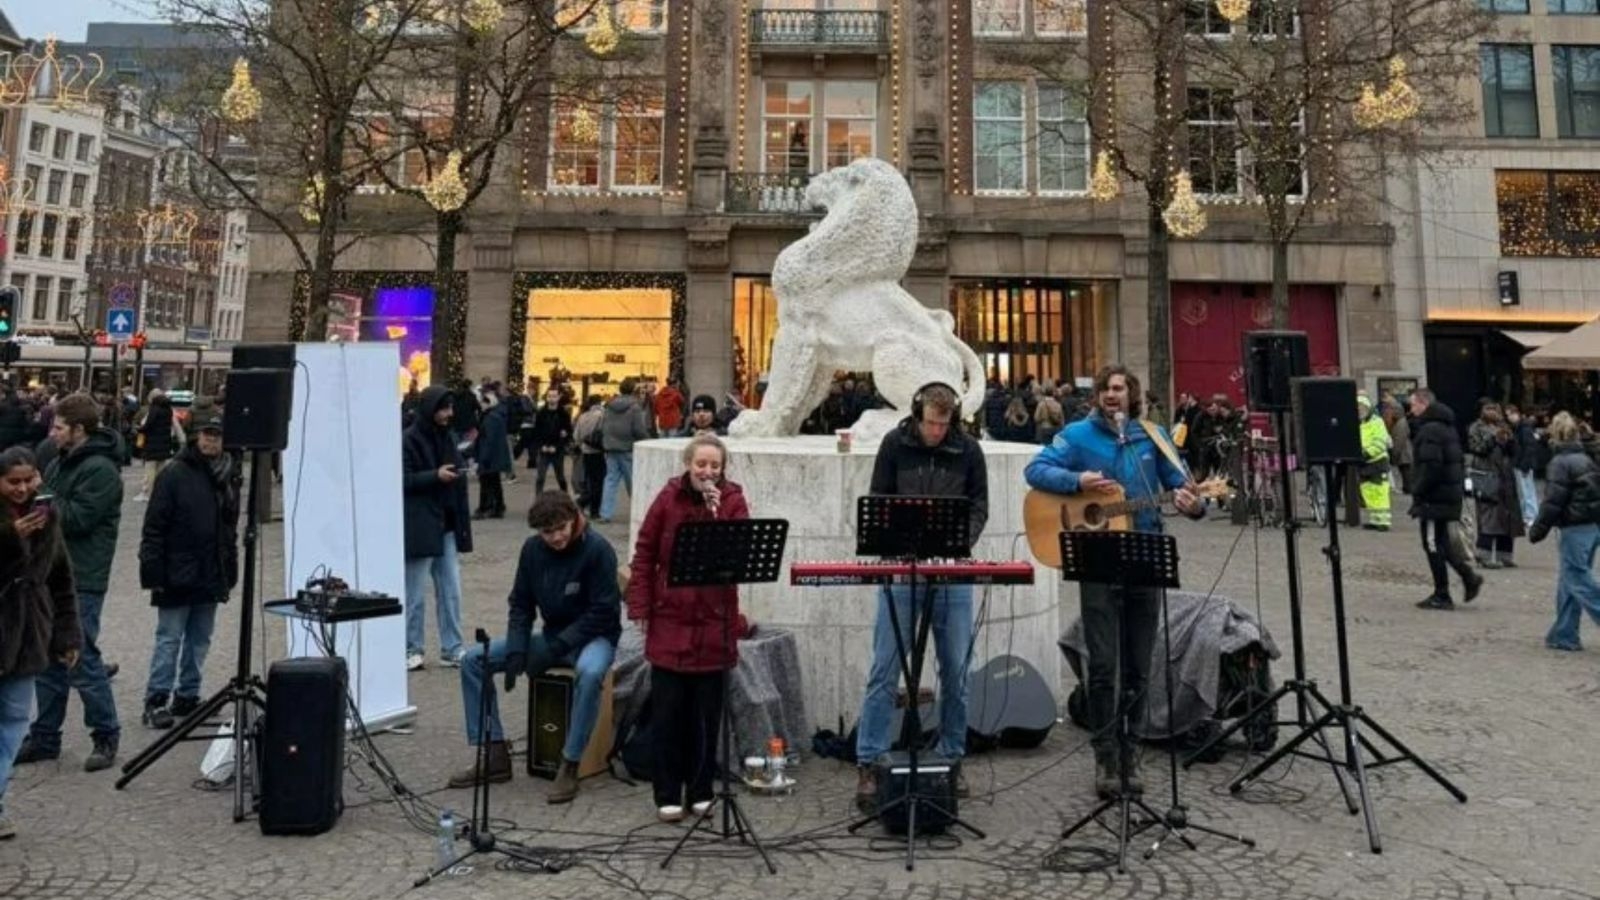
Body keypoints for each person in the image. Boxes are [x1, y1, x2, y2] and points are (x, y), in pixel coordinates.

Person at [1024, 365, 1202, 798]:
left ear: (1131, 395)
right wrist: (1076, 480)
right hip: (1097, 558)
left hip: (1143, 554)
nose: (1111, 395)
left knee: (1140, 664)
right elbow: (1036, 469)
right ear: (1097, 396)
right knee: (1103, 664)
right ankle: (1105, 754)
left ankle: (1132, 750)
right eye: (1105, 388)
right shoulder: (1078, 435)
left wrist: (1191, 502)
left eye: (1119, 389)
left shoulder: (1152, 435)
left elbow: (1185, 489)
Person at [853, 383, 987, 812]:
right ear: (917, 414)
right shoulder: (895, 443)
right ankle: (870, 761)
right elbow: (878, 498)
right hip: (902, 567)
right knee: (885, 668)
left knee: (956, 672)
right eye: (929, 422)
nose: (934, 431)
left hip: (951, 571)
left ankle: (951, 757)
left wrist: (958, 541)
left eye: (942, 424)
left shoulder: (967, 450)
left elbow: (979, 506)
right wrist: (892, 541)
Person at [449, 492, 619, 805]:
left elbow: (604, 611)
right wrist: (516, 649)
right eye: (546, 532)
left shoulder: (598, 550)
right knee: (474, 660)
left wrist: (558, 646)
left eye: (561, 529)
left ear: (573, 518)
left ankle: (570, 762)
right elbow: (521, 604)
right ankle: (495, 752)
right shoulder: (532, 550)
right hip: (553, 635)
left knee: (591, 671)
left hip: (596, 637)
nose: (555, 537)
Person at [627, 435, 752, 821]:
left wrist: (716, 518)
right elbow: (645, 552)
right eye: (701, 465)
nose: (708, 472)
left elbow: (742, 552)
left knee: (706, 715)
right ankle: (667, 791)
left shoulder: (732, 501)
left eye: (715, 466)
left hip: (714, 619)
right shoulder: (667, 499)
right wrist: (640, 604)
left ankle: (700, 789)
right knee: (669, 713)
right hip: (671, 617)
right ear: (688, 464)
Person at [14, 394, 123, 772]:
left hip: (84, 576)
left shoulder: (100, 470)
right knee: (47, 658)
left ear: (79, 430)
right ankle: (45, 736)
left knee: (81, 656)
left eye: (58, 427)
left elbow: (75, 518)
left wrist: (42, 492)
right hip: (53, 571)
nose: (52, 433)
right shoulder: (63, 460)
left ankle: (106, 733)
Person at [137, 410, 239, 728]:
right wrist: (152, 572)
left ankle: (188, 695)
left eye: (217, 434)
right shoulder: (174, 473)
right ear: (196, 435)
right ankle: (156, 699)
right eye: (207, 433)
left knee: (200, 638)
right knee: (169, 637)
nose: (211, 439)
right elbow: (154, 525)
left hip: (210, 569)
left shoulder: (228, 474)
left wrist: (229, 565)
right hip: (176, 569)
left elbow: (229, 528)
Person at [0, 447, 81, 839]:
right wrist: (9, 538)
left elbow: (61, 578)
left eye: (29, 480)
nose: (22, 489)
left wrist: (66, 634)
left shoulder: (47, 515)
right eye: (13, 482)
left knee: (15, 721)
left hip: (28, 635)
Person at [402, 386, 474, 671]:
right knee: (414, 593)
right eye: (444, 408)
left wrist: (459, 472)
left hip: (445, 524)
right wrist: (436, 476)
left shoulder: (448, 437)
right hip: (420, 525)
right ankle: (412, 647)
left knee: (451, 590)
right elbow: (402, 479)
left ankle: (452, 647)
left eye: (450, 408)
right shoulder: (408, 439)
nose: (448, 414)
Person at [1528, 413, 1600, 651]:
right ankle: (1564, 633)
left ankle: (1565, 633)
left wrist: (1538, 530)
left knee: (1577, 578)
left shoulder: (1560, 463)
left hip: (1574, 527)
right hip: (1591, 525)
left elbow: (1552, 502)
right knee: (1570, 580)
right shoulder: (1586, 458)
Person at [1410, 389, 1483, 610]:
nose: (1411, 409)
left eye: (1413, 404)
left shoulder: (1431, 430)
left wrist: (1418, 490)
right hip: (1447, 493)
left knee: (1432, 543)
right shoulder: (1447, 427)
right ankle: (1468, 577)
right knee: (1442, 542)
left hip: (1436, 496)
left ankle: (1442, 592)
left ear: (1423, 404)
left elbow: (1432, 465)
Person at [1468, 402, 1523, 568]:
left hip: (1505, 475)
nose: (1493, 413)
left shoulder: (1504, 426)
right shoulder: (1475, 427)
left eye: (1495, 410)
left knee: (1508, 514)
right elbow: (1477, 448)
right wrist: (1493, 438)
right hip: (1487, 474)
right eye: (1489, 409)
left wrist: (1510, 440)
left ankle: (1504, 553)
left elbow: (1513, 451)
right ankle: (1483, 554)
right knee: (1489, 514)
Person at [599, 378, 652, 523]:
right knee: (632, 481)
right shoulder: (635, 407)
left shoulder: (609, 405)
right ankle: (640, 511)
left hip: (610, 447)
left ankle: (605, 514)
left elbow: (603, 425)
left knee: (610, 480)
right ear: (633, 390)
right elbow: (638, 429)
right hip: (627, 447)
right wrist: (649, 439)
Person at [135, 389, 181, 502]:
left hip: (152, 444)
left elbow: (148, 425)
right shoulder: (168, 409)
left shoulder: (154, 409)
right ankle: (160, 493)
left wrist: (139, 429)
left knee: (150, 470)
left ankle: (148, 493)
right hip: (165, 443)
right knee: (161, 470)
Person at [1357, 393, 1392, 532]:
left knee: (1379, 491)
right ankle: (1375, 519)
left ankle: (1383, 521)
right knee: (1368, 491)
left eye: (1361, 408)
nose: (1359, 410)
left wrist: (1366, 453)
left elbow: (1380, 442)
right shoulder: (1358, 423)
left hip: (1377, 461)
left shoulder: (1376, 422)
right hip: (1364, 462)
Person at [474, 389, 511, 520]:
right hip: (495, 456)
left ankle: (484, 507)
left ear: (488, 403)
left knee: (486, 482)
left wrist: (483, 458)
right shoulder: (496, 416)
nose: (480, 405)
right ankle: (498, 507)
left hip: (489, 457)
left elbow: (488, 440)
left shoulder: (490, 418)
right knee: (494, 482)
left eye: (482, 403)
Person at [530, 388, 572, 494]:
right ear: (546, 398)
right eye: (549, 396)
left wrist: (558, 446)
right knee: (540, 477)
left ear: (558, 398)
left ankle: (565, 498)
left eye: (554, 396)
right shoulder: (541, 413)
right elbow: (536, 432)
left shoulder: (563, 414)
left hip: (558, 451)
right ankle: (538, 501)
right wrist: (541, 445)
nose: (551, 399)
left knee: (561, 477)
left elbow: (568, 432)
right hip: (543, 450)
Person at [572, 396, 606, 518]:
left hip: (585, 452)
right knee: (599, 482)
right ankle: (593, 510)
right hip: (598, 452)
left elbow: (576, 436)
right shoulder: (602, 415)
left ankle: (584, 502)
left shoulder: (583, 416)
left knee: (589, 480)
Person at [1509, 405, 1540, 529]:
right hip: (1522, 463)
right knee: (1526, 490)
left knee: (1527, 491)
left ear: (1515, 413)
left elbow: (1528, 448)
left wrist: (1524, 465)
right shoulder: (1523, 427)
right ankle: (1528, 515)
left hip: (1523, 464)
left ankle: (1531, 515)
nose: (1508, 417)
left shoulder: (1523, 428)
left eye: (1509, 414)